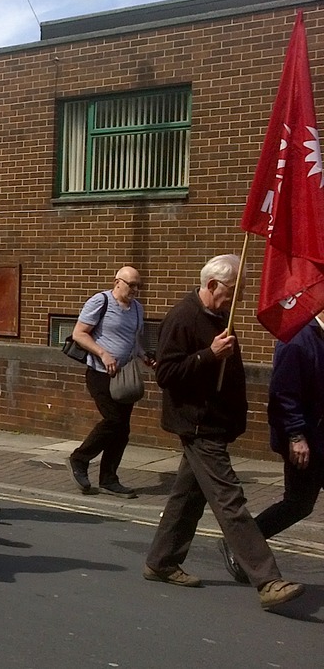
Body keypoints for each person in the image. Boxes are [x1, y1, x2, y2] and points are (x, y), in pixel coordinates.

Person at [143, 254, 304, 611]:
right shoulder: (182, 317)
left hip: (215, 423)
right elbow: (166, 374)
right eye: (235, 290)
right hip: (197, 425)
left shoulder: (218, 316)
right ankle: (268, 579)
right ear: (213, 285)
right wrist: (209, 355)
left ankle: (161, 561)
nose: (239, 298)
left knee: (188, 497)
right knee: (230, 500)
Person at [220, 312, 324, 584]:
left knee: (299, 504)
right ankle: (241, 543)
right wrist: (296, 435)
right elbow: (283, 394)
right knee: (298, 504)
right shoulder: (296, 340)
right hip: (305, 440)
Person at [67, 266, 153, 498]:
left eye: (138, 286)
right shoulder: (101, 301)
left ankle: (108, 479)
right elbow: (79, 333)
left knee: (122, 430)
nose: (135, 290)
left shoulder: (137, 308)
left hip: (123, 377)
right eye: (131, 285)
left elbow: (133, 340)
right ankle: (79, 459)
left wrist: (144, 355)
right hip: (99, 373)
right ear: (117, 282)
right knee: (113, 420)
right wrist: (103, 354)